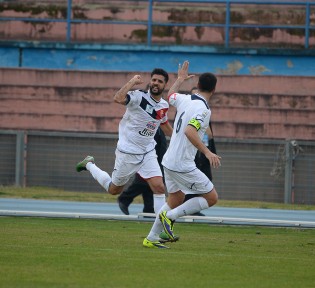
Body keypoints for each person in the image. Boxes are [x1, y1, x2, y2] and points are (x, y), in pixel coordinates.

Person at [143, 61, 221, 249]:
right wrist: (207, 151)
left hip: (169, 160)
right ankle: (170, 217)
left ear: (199, 85)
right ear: (214, 89)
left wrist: (179, 80)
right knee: (211, 197)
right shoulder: (203, 109)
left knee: (176, 199)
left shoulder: (186, 98)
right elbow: (190, 131)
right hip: (181, 164)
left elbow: (169, 96)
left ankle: (151, 238)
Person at [76, 68, 173, 216]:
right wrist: (132, 82)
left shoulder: (163, 106)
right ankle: (89, 164)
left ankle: (161, 228)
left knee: (159, 187)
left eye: (160, 81)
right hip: (128, 152)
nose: (156, 83)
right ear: (150, 81)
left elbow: (164, 124)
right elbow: (118, 98)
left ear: (165, 85)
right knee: (114, 190)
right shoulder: (138, 97)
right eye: (154, 80)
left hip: (148, 151)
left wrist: (179, 139)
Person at [117, 127, 167, 215]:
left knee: (150, 185)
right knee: (144, 181)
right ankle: (125, 198)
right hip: (149, 143)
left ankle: (149, 209)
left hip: (156, 136)